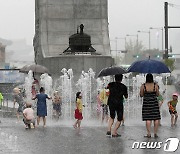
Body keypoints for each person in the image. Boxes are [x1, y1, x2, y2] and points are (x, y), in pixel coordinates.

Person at [140, 73, 160, 138]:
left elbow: (141, 95)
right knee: (156, 118)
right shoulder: (155, 85)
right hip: (154, 102)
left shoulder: (143, 85)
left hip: (147, 103)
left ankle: (149, 133)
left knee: (148, 118)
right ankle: (155, 133)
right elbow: (157, 94)